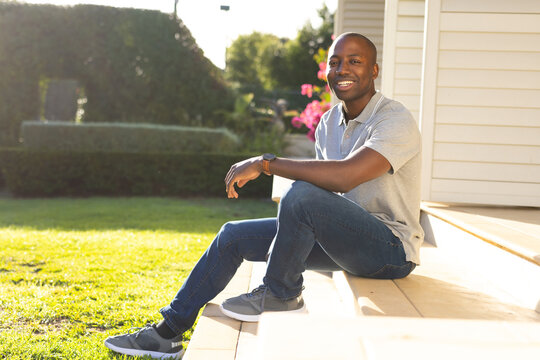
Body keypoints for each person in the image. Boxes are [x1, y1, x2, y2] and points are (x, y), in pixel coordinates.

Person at [104, 32, 424, 359]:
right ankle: (166, 333)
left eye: (355, 61)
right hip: (344, 240)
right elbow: (327, 189)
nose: (342, 69)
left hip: (390, 250)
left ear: (374, 71)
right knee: (232, 236)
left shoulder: (394, 119)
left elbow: (347, 174)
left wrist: (265, 163)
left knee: (301, 195)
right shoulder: (329, 123)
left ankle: (281, 294)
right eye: (335, 62)